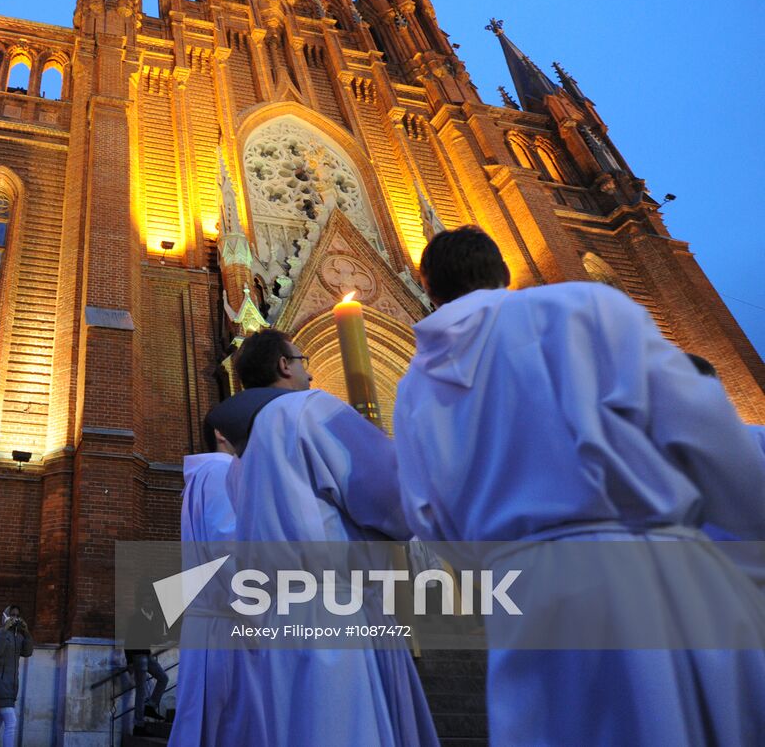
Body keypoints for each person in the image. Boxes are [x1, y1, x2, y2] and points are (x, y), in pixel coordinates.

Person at [395, 226, 765, 746]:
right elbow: (704, 431)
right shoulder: (585, 309)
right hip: (657, 576)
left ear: (429, 290)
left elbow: (425, 516)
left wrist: (506, 569)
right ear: (502, 270)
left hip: (529, 601)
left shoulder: (413, 385)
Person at [222, 331, 439, 746]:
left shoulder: (244, 454)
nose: (310, 370)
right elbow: (391, 498)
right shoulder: (312, 408)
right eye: (301, 359)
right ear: (284, 366)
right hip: (335, 614)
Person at [167, 410, 237, 747]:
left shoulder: (208, 474)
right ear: (223, 433)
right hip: (229, 625)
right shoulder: (222, 472)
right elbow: (230, 548)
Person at [124, 576, 170, 736]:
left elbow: (150, 637)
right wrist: (129, 661)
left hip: (147, 655)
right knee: (141, 690)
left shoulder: (151, 618)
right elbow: (129, 640)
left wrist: (163, 639)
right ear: (143, 603)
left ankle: (150, 706)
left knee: (163, 678)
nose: (149, 604)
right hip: (137, 656)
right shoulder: (136, 618)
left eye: (151, 601)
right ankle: (138, 725)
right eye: (147, 601)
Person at [0, 604, 34, 746]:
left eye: (17, 615)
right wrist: (5, 629)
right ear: (6, 615)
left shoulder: (18, 636)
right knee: (11, 722)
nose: (15, 618)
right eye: (12, 614)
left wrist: (27, 632)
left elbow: (27, 652)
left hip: (11, 687)